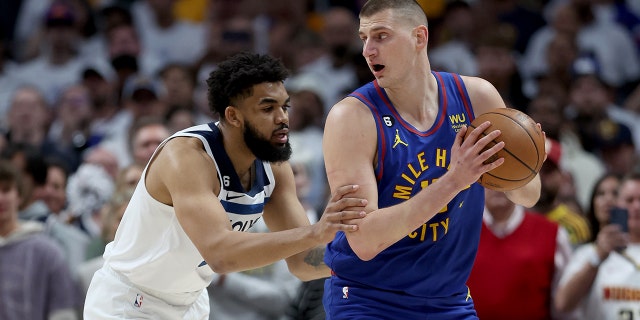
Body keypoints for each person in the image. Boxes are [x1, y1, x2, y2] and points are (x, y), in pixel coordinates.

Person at [83, 52, 366, 319]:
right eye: (268, 108)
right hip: (129, 301)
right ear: (233, 116)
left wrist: (372, 258)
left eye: (285, 106)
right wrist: (316, 231)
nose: (282, 118)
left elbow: (303, 261)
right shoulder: (187, 157)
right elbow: (221, 254)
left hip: (190, 302)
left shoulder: (275, 166)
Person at [321, 0, 542, 318]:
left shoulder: (477, 97)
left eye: (381, 36)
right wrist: (455, 179)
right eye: (364, 38)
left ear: (419, 37)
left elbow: (528, 195)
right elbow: (365, 241)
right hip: (368, 299)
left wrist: (528, 163)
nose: (368, 50)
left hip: (449, 301)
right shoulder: (351, 117)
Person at [466, 188, 575, 320]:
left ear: (520, 182)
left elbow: (564, 303)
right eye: (491, 178)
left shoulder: (552, 233)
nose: (499, 186)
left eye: (506, 177)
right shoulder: (458, 231)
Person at [0, 160, 80, 320]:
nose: (0, 198)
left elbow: (63, 313)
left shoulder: (46, 252)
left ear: (19, 195)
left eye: (6, 190)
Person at [555, 172, 640, 319]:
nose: (637, 206)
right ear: (617, 205)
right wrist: (597, 257)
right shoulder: (589, 253)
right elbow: (563, 304)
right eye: (629, 200)